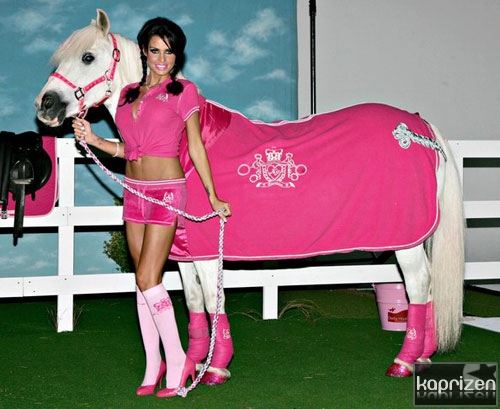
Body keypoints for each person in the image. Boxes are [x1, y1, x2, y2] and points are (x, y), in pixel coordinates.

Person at [72, 16, 231, 398]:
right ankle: (152, 364)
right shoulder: (128, 94)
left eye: (169, 52)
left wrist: (212, 194)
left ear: (178, 56)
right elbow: (127, 149)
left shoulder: (184, 91)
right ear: (143, 51)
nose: (162, 59)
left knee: (147, 276)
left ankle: (176, 362)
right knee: (144, 282)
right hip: (134, 193)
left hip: (166, 192)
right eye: (155, 50)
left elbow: (195, 146)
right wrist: (93, 138)